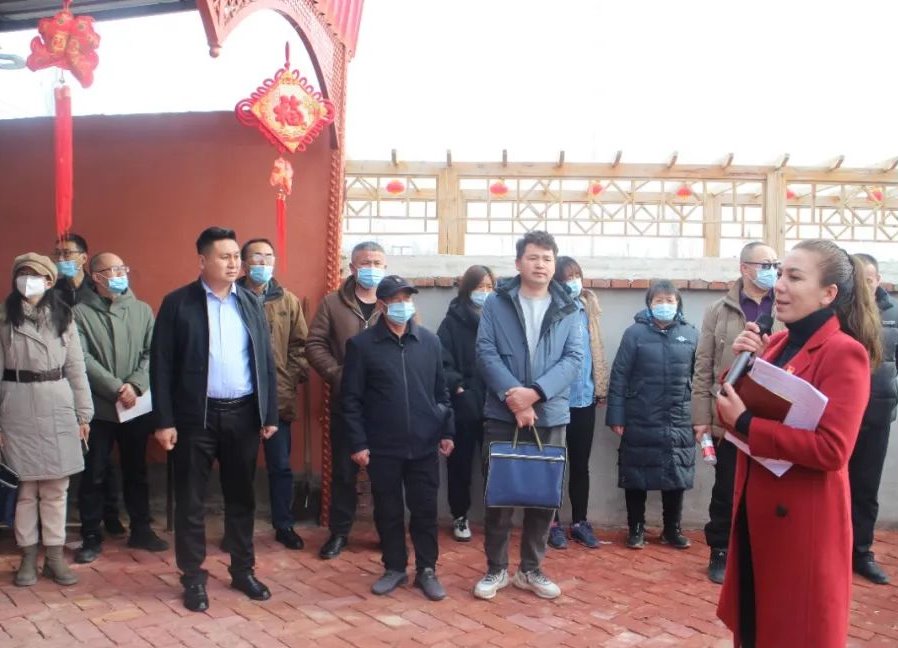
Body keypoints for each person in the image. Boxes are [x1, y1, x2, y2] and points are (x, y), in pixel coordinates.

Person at [715, 239, 880, 648]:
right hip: (756, 510)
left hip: (802, 524)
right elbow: (735, 409)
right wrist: (739, 369)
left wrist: (748, 423)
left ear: (828, 293)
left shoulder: (844, 353)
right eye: (780, 274)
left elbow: (833, 450)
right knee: (754, 627)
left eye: (794, 277)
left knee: (792, 631)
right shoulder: (774, 343)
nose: (779, 285)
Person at [151, 227, 279, 612]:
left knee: (242, 497)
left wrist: (268, 412)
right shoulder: (178, 304)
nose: (233, 263)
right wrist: (164, 420)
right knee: (191, 501)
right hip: (196, 418)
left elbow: (265, 361)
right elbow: (161, 366)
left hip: (243, 415)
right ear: (202, 261)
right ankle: (193, 576)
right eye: (224, 257)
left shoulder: (250, 302)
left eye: (236, 256)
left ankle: (242, 570)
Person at [473, 230, 583, 601]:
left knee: (543, 496)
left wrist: (534, 394)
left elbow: (574, 359)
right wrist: (515, 399)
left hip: (549, 414)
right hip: (502, 412)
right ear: (519, 262)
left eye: (547, 258)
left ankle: (531, 569)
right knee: (498, 495)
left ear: (554, 264)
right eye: (533, 257)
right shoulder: (496, 302)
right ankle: (496, 568)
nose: (540, 264)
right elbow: (485, 352)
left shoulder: (569, 307)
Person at [341, 275, 455, 600]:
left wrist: (446, 429)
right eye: (396, 300)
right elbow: (350, 400)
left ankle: (427, 569)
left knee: (425, 510)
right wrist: (358, 443)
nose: (404, 305)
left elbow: (442, 392)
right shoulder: (362, 346)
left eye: (407, 299)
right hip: (383, 446)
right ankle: (394, 567)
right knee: (388, 510)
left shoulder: (429, 342)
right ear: (382, 305)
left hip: (424, 445)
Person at [0, 253, 92, 587]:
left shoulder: (64, 317)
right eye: (22, 273)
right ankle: (27, 555)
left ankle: (54, 556)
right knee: (25, 487)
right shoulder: (4, 318)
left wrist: (84, 413)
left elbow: (76, 368)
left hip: (58, 403)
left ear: (50, 281)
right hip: (17, 405)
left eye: (36, 274)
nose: (28, 280)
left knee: (56, 486)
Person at [692, 242, 780, 583]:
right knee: (727, 489)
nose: (772, 270)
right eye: (765, 264)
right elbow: (704, 366)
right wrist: (701, 417)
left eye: (775, 264)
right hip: (727, 416)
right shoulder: (719, 310)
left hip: (772, 414)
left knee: (771, 491)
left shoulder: (785, 306)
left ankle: (761, 553)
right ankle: (720, 550)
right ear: (744, 268)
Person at [73, 253, 168, 564]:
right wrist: (115, 388)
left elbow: (152, 352)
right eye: (111, 270)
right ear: (96, 277)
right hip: (99, 408)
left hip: (135, 407)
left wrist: (135, 385)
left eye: (122, 268)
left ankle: (141, 528)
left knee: (136, 470)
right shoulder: (79, 313)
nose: (119, 274)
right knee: (94, 472)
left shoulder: (142, 310)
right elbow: (81, 358)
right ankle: (91, 534)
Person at [307, 241, 385, 559]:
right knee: (343, 471)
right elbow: (314, 344)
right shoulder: (332, 303)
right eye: (365, 263)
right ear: (352, 267)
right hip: (346, 404)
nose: (372, 269)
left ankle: (388, 532)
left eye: (378, 263)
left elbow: (412, 342)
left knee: (386, 473)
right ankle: (339, 533)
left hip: (384, 405)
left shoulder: (395, 302)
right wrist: (339, 375)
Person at [606, 280, 698, 551]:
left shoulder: (690, 334)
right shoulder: (634, 334)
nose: (665, 305)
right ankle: (636, 529)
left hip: (678, 416)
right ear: (649, 304)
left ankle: (672, 529)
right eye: (659, 300)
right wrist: (616, 415)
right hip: (640, 414)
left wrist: (701, 416)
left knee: (676, 473)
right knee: (636, 474)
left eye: (670, 300)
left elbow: (701, 376)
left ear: (678, 304)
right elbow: (619, 375)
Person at [238, 238, 310, 550]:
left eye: (269, 257)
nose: (263, 263)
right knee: (240, 468)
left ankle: (284, 525)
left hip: (278, 399)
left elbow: (300, 346)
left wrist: (289, 378)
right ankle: (238, 528)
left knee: (280, 466)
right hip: (239, 399)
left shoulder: (288, 301)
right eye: (257, 257)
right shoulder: (231, 298)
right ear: (244, 264)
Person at [53, 233, 125, 538]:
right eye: (57, 254)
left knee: (102, 457)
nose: (62, 260)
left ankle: (111, 514)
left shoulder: (98, 291)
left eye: (67, 254)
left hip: (99, 388)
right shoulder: (53, 293)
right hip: (61, 382)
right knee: (80, 457)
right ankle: (82, 522)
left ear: (84, 258)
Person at [547, 256, 608, 550]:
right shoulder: (548, 311)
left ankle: (580, 522)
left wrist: (600, 387)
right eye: (566, 278)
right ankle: (551, 523)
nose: (573, 282)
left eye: (576, 276)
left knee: (580, 465)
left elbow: (596, 349)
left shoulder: (588, 309)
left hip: (584, 398)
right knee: (553, 464)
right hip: (555, 399)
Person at [848, 252, 897, 584]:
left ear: (878, 280)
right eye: (859, 281)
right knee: (832, 487)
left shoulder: (893, 315)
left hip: (877, 415)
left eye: (869, 280)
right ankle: (831, 550)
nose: (864, 287)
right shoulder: (840, 313)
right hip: (840, 415)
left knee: (865, 489)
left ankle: (861, 552)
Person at [436, 264, 494, 542]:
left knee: (495, 463)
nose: (484, 292)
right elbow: (441, 362)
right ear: (467, 289)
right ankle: (460, 515)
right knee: (460, 465)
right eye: (479, 287)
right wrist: (459, 388)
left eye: (489, 287)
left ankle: (496, 514)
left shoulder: (499, 318)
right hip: (464, 404)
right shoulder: (452, 322)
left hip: (495, 403)